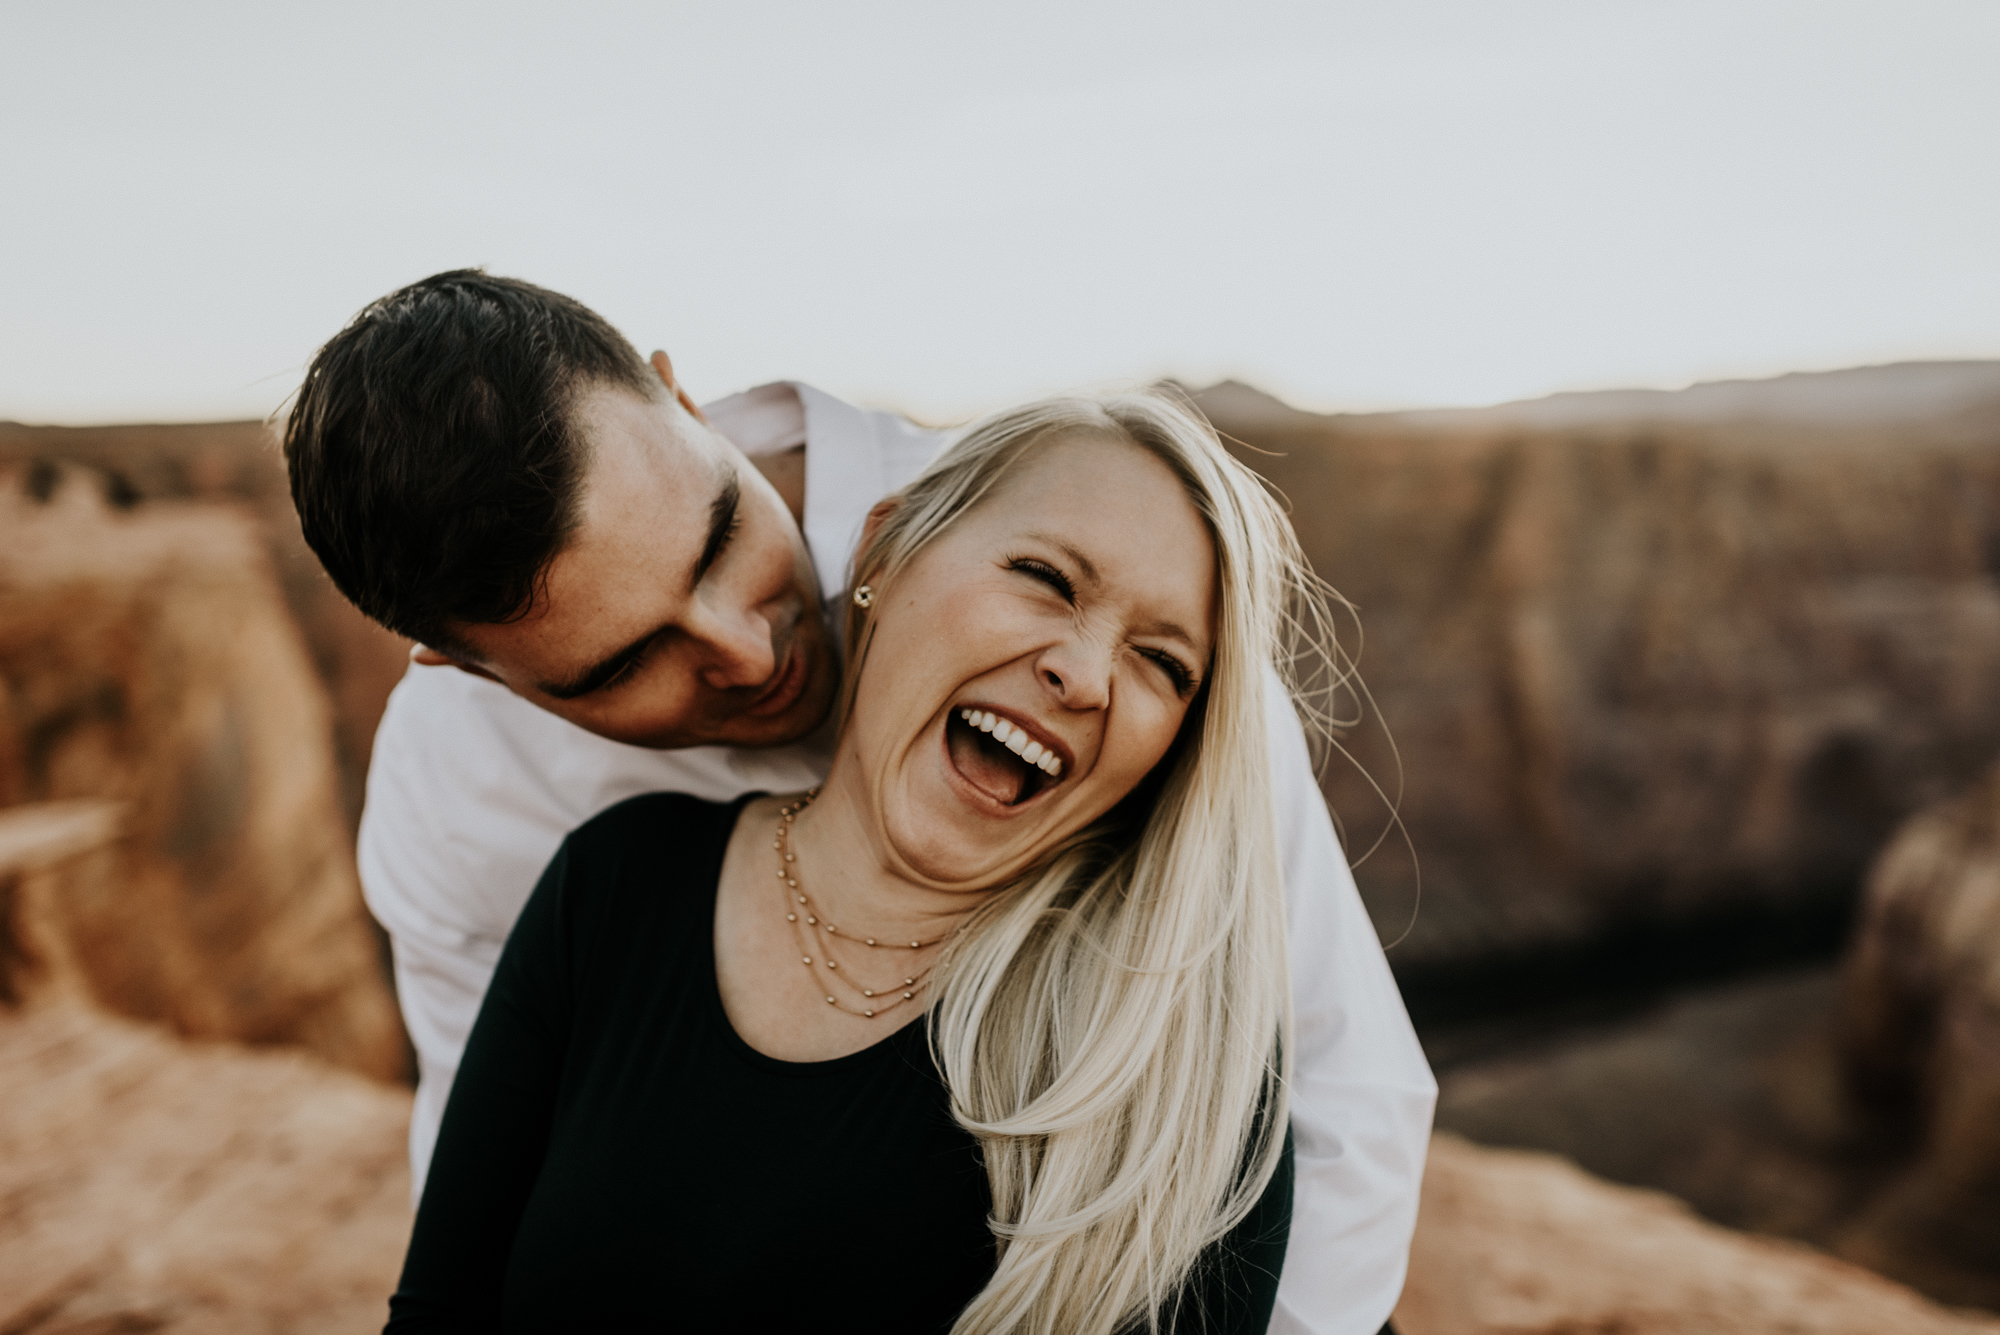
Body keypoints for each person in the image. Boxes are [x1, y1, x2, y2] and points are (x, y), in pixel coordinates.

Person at [283, 271, 1436, 1334]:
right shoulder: (467, 798)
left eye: (720, 543)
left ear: (684, 404)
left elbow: (1343, 1099)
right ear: (472, 670)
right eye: (626, 664)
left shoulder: (1069, 555)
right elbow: (492, 1174)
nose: (748, 651)